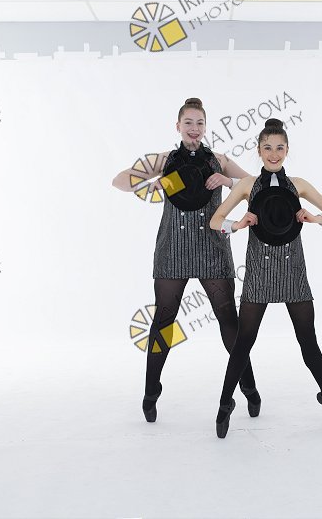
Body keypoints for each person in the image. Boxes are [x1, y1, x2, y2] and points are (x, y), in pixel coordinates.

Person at [112, 97, 261, 423]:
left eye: (199, 123)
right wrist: (157, 181)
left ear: (205, 127)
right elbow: (119, 181)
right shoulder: (164, 160)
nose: (194, 129)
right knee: (163, 321)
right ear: (178, 126)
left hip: (212, 248)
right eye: (188, 123)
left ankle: (249, 387)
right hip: (172, 249)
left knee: (229, 319)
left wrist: (228, 182)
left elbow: (257, 187)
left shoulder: (219, 160)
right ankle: (151, 391)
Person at [209, 118, 322, 438]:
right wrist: (238, 224)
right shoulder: (246, 184)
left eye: (279, 148)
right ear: (258, 150)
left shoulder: (299, 184)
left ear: (287, 150)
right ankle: (225, 404)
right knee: (243, 342)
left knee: (307, 340)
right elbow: (216, 221)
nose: (273, 153)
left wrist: (314, 218)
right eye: (267, 147)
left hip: (293, 271)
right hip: (259, 272)